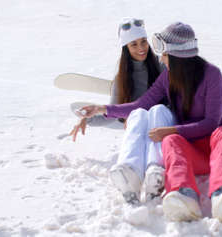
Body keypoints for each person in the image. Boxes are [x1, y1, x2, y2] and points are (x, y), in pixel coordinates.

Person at [76, 22, 222, 223]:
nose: (161, 59)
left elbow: (211, 123)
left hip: (218, 147)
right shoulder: (168, 77)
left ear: (176, 56)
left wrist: (171, 129)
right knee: (171, 141)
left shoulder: (212, 74)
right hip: (194, 153)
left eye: (164, 54)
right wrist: (102, 109)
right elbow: (141, 104)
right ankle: (184, 196)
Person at [69, 18, 171, 204]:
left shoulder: (161, 65)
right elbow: (114, 112)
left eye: (143, 42)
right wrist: (89, 120)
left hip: (162, 121)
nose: (141, 48)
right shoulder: (122, 80)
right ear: (126, 48)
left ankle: (155, 171)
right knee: (138, 114)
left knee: (155, 110)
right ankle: (129, 170)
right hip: (139, 124)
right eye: (134, 44)